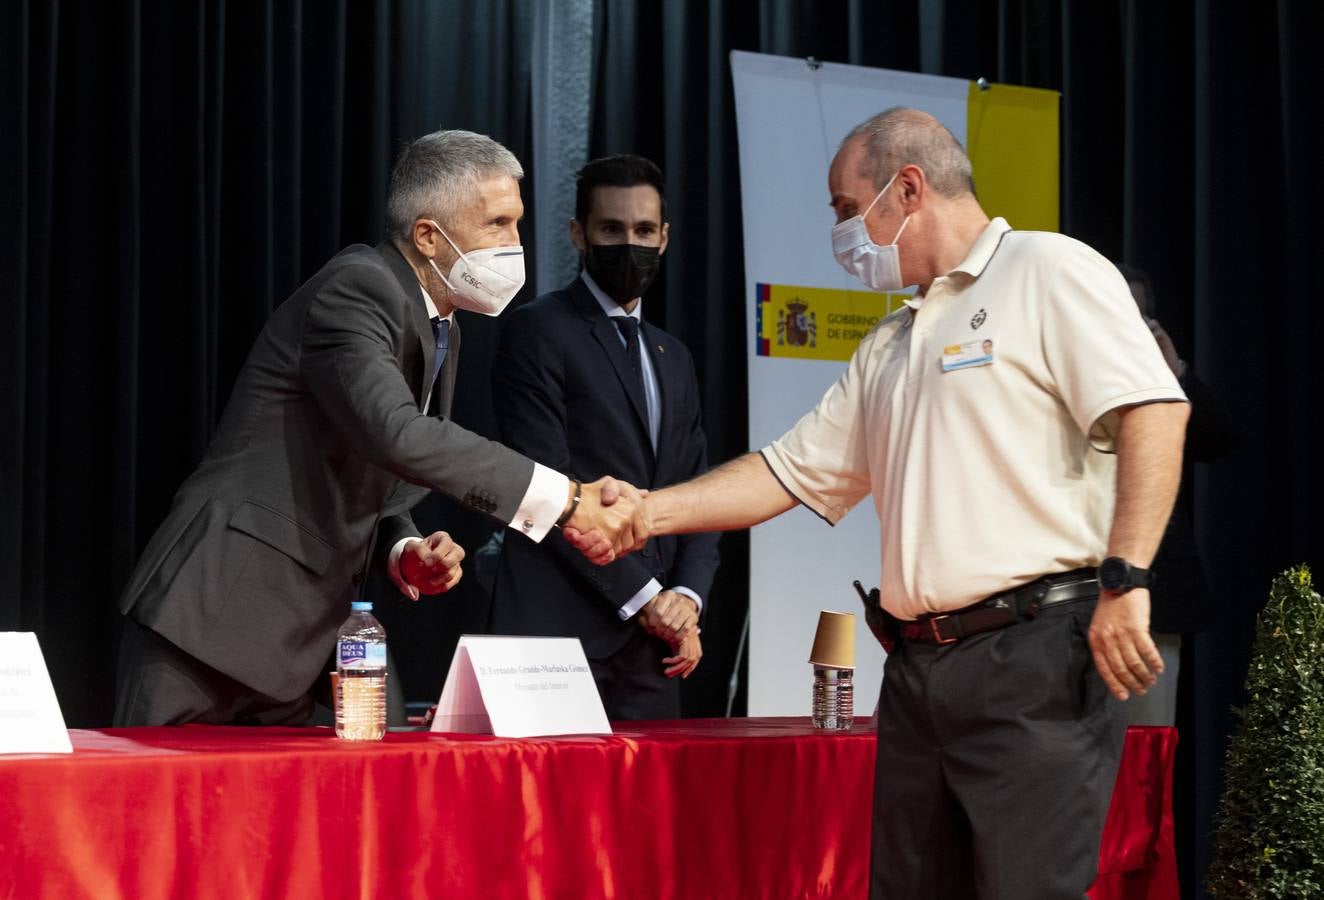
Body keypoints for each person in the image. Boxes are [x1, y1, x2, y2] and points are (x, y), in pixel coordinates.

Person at [570, 108, 1190, 898]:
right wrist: (645, 513)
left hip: (1034, 657)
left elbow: (1153, 410)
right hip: (919, 670)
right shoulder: (891, 342)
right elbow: (785, 472)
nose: (839, 231)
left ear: (908, 188)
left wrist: (1127, 578)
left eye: (844, 207)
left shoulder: (1047, 268)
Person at [113, 129, 644, 727]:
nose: (514, 244)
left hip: (301, 641)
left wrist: (403, 547)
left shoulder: (441, 326)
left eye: (516, 223)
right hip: (215, 618)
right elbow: (397, 434)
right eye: (498, 224)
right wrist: (567, 500)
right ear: (428, 236)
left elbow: (372, 465)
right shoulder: (358, 287)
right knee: (158, 791)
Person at [487, 154, 719, 720]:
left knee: (654, 785)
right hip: (556, 642)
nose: (629, 245)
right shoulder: (536, 331)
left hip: (656, 651)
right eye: (612, 230)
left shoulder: (674, 357)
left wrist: (686, 599)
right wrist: (649, 598)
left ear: (664, 238)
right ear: (579, 234)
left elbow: (696, 489)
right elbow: (543, 485)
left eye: (644, 230)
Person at [1114, 263, 1237, 726]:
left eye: (1135, 316)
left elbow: (1218, 441)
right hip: (1062, 602)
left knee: (1144, 738)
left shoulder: (1165, 385)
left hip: (1155, 595)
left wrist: (1177, 372)